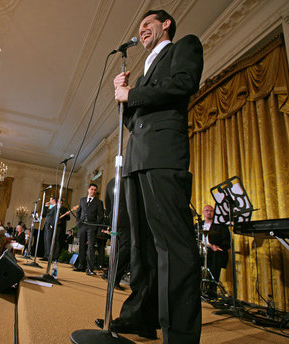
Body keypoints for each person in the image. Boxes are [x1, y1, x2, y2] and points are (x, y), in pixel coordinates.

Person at [110, 9, 204, 343]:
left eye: (147, 23)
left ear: (166, 24)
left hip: (164, 155)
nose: (142, 29)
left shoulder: (184, 46)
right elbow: (135, 124)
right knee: (142, 247)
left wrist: (132, 94)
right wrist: (123, 100)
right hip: (137, 158)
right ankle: (140, 317)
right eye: (139, 26)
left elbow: (184, 84)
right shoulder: (145, 67)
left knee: (172, 244)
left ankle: (179, 334)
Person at [101, 177, 131, 290]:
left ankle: (111, 274)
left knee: (118, 248)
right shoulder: (130, 181)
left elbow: (107, 202)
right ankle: (112, 276)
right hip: (127, 218)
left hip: (115, 219)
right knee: (127, 246)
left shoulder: (111, 182)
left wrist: (111, 218)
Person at [201, 205, 230, 298]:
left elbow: (227, 242)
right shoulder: (198, 225)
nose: (209, 212)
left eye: (211, 211)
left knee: (215, 256)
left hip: (214, 252)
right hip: (201, 251)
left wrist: (218, 246)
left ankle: (212, 289)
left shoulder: (220, 226)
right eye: (207, 210)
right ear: (203, 212)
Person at [75, 184, 104, 275]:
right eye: (92, 189)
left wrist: (96, 225)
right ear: (88, 190)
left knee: (91, 247)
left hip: (92, 227)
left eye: (95, 190)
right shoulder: (82, 200)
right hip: (82, 226)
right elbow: (78, 212)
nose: (93, 191)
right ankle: (81, 266)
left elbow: (101, 216)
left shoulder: (99, 202)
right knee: (82, 246)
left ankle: (90, 269)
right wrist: (78, 223)